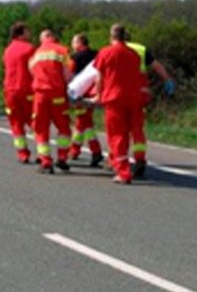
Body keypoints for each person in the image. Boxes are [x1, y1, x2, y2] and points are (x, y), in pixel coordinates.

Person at [94, 24, 145, 184]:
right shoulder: (134, 54)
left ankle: (123, 172)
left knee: (117, 135)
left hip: (114, 99)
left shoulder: (106, 52)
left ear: (112, 36)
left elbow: (99, 77)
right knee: (135, 131)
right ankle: (135, 160)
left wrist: (97, 94)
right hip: (133, 98)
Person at [123, 31, 176, 178]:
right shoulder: (141, 49)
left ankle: (119, 160)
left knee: (120, 129)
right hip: (140, 92)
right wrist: (167, 80)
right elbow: (157, 67)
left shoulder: (115, 49)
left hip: (121, 91)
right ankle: (140, 158)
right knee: (137, 128)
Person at [28, 29, 74, 174]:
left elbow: (31, 71)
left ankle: (46, 161)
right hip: (58, 95)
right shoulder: (62, 50)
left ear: (44, 38)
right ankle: (62, 158)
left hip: (40, 95)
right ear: (53, 37)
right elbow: (68, 73)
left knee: (41, 129)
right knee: (64, 127)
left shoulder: (36, 54)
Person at [68, 33, 104, 167]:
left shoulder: (75, 58)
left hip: (80, 94)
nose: (72, 45)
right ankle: (74, 150)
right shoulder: (97, 54)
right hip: (95, 92)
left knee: (85, 123)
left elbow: (69, 75)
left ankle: (96, 151)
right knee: (81, 122)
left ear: (79, 43)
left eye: (73, 42)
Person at [2, 22, 36, 164]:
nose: (30, 34)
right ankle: (42, 153)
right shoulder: (30, 49)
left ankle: (23, 154)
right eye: (28, 31)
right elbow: (35, 69)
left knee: (16, 123)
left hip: (10, 91)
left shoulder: (8, 50)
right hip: (27, 90)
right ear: (21, 33)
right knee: (34, 121)